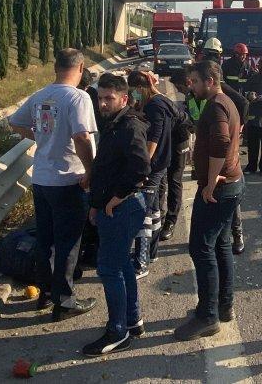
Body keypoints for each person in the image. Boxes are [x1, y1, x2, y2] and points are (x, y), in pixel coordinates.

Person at [7, 48, 99, 320]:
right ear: (80, 68)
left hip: (42, 179)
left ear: (55, 68)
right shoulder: (78, 97)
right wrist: (91, 169)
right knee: (68, 241)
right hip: (68, 179)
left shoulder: (40, 96)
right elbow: (82, 137)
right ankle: (65, 300)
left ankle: (46, 293)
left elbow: (15, 123)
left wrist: (41, 138)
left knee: (46, 240)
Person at [80, 73, 151, 357]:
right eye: (100, 98)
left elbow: (140, 169)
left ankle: (117, 331)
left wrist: (114, 200)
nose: (103, 103)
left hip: (124, 208)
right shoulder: (113, 124)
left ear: (124, 99)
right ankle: (133, 320)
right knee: (121, 264)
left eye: (109, 98)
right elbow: (106, 168)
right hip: (112, 207)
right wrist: (98, 204)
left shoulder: (129, 126)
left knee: (109, 268)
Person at [173, 60, 245, 341]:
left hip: (220, 188)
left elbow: (221, 143)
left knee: (201, 248)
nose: (190, 86)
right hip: (232, 184)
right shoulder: (226, 100)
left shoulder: (216, 105)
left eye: (194, 82)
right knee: (221, 244)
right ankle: (224, 306)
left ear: (210, 81)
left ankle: (207, 316)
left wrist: (212, 179)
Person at [199, 37, 249, 254]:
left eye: (213, 55)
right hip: (211, 140)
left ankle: (237, 235)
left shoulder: (220, 89)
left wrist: (239, 127)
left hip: (224, 147)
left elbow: (243, 102)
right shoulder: (200, 87)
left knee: (228, 189)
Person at [127, 70, 174, 277]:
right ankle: (152, 253)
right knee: (154, 211)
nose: (133, 95)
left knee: (142, 214)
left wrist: (142, 168)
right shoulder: (160, 101)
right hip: (161, 164)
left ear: (140, 88)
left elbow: (153, 139)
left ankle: (141, 262)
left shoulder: (154, 106)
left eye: (134, 91)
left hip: (152, 166)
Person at [160, 72, 193, 241]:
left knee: (174, 180)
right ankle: (159, 216)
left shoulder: (196, 95)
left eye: (179, 87)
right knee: (161, 180)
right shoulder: (188, 96)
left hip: (180, 141)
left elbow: (193, 123)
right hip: (167, 141)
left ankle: (170, 221)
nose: (178, 90)